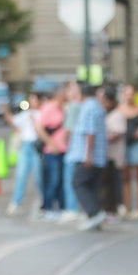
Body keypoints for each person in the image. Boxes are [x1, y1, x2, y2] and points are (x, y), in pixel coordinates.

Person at [68, 81, 108, 230]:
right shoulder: (95, 106)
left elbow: (90, 132)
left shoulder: (88, 108)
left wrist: (88, 154)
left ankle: (94, 212)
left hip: (87, 155)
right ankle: (94, 217)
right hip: (97, 155)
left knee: (78, 183)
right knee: (92, 187)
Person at [5, 91, 42, 218]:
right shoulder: (26, 114)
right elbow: (13, 121)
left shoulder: (42, 113)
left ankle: (43, 202)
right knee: (21, 176)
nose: (32, 102)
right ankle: (16, 202)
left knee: (39, 176)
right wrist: (5, 110)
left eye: (34, 99)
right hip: (25, 146)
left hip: (37, 146)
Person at [36, 86, 68, 215]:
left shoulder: (62, 108)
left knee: (60, 181)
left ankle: (60, 207)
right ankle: (47, 207)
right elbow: (39, 128)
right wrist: (51, 144)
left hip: (63, 150)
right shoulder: (49, 107)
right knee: (52, 181)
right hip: (51, 151)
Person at [121, 83, 138, 219]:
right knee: (125, 178)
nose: (129, 96)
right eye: (127, 93)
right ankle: (126, 207)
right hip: (123, 145)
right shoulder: (119, 110)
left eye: (131, 93)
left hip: (136, 145)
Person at [101, 85, 127, 217]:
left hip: (114, 157)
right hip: (106, 156)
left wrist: (101, 138)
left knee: (114, 184)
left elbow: (116, 134)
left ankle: (117, 207)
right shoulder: (105, 114)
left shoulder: (117, 115)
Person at [60, 79, 82, 219]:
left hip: (74, 149)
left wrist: (63, 141)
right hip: (79, 149)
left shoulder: (74, 106)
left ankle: (71, 209)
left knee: (69, 180)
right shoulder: (82, 105)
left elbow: (68, 130)